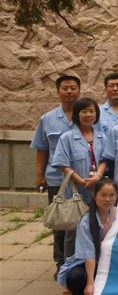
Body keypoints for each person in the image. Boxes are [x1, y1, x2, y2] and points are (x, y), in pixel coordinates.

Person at [31, 75, 81, 279]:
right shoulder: (48, 119)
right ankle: (61, 263)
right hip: (57, 180)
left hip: (83, 180)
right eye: (65, 88)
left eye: (73, 88)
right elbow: (42, 148)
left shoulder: (87, 115)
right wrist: (39, 175)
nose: (69, 91)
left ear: (79, 91)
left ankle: (80, 261)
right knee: (60, 223)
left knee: (82, 222)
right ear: (58, 91)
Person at [52, 98, 106, 257]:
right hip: (76, 192)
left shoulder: (102, 137)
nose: (88, 115)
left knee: (97, 230)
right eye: (83, 111)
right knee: (73, 232)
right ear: (77, 114)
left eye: (91, 111)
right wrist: (80, 181)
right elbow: (62, 164)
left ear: (96, 114)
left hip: (97, 191)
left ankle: (93, 264)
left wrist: (98, 176)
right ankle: (70, 265)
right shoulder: (67, 138)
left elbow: (106, 159)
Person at [57, 179, 117, 295]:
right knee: (76, 277)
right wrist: (90, 283)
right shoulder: (86, 222)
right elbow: (89, 254)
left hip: (110, 262)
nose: (108, 199)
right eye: (103, 195)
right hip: (88, 263)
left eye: (112, 195)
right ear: (95, 196)